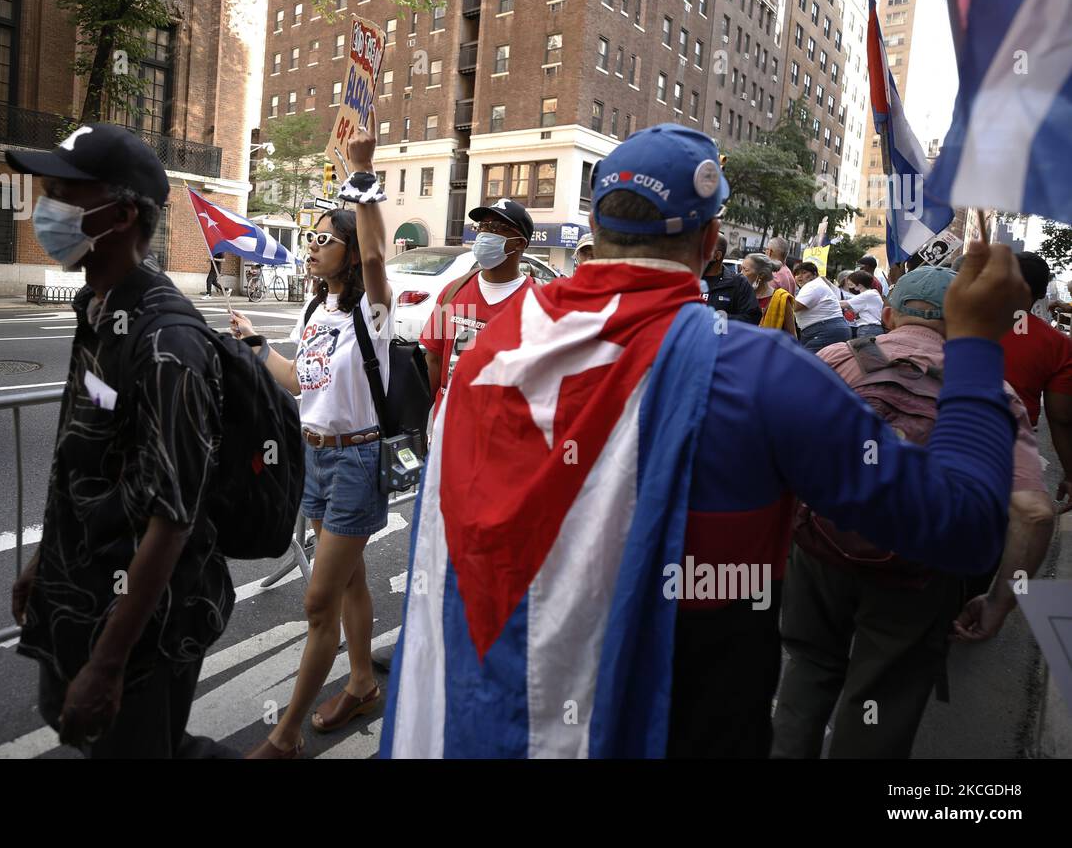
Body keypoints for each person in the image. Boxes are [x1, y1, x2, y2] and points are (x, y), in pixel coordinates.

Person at [379, 121, 1028, 759]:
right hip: (691, 714)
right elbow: (964, 526)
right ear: (713, 241)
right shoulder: (762, 374)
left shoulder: (496, 343)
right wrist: (972, 349)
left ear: (596, 229)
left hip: (502, 706)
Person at [6, 124, 234, 759]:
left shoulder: (170, 343)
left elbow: (173, 518)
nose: (43, 210)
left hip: (142, 627)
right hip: (80, 592)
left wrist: (108, 664)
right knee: (83, 724)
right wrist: (46, 561)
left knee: (134, 745)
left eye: (61, 194)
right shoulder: (97, 307)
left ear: (122, 213)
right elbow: (91, 459)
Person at [772, 266, 1053, 758]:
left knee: (809, 668)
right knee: (883, 697)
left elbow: (775, 453)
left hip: (820, 551)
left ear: (886, 313)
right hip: (920, 572)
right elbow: (1033, 513)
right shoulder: (992, 394)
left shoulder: (837, 359)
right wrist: (998, 601)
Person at [228, 118, 391, 758]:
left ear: (350, 252)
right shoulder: (314, 309)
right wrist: (256, 345)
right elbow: (302, 383)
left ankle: (285, 732)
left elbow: (379, 255)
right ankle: (359, 682)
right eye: (312, 240)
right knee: (349, 583)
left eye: (326, 241)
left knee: (318, 604)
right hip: (313, 462)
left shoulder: (372, 311)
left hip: (356, 462)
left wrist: (363, 174)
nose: (313, 248)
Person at [420, 198, 536, 405]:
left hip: (498, 432)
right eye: (482, 226)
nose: (484, 234)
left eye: (497, 227)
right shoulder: (452, 291)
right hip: (446, 431)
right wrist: (417, 421)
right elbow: (433, 360)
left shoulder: (537, 304)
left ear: (520, 242)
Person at [1000, 251, 1072, 514]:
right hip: (1011, 452)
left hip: (946, 439)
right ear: (1041, 294)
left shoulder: (959, 323)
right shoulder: (1059, 344)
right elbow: (1061, 417)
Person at [793, 260, 851, 352]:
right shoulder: (816, 285)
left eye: (804, 273)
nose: (800, 277)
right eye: (797, 274)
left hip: (823, 330)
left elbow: (795, 306)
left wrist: (780, 296)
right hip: (827, 329)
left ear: (814, 275)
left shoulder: (813, 285)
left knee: (807, 363)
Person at [702, 235, 762, 324]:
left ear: (717, 255)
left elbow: (752, 318)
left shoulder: (739, 283)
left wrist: (718, 319)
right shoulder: (690, 278)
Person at [740, 252, 796, 335]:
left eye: (745, 270)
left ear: (761, 275)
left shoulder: (781, 299)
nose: (741, 274)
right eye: (741, 269)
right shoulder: (741, 296)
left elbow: (792, 338)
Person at [845, 270, 886, 337]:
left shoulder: (868, 294)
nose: (850, 287)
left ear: (859, 285)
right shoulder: (871, 294)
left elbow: (844, 304)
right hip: (871, 328)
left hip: (869, 329)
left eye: (851, 284)